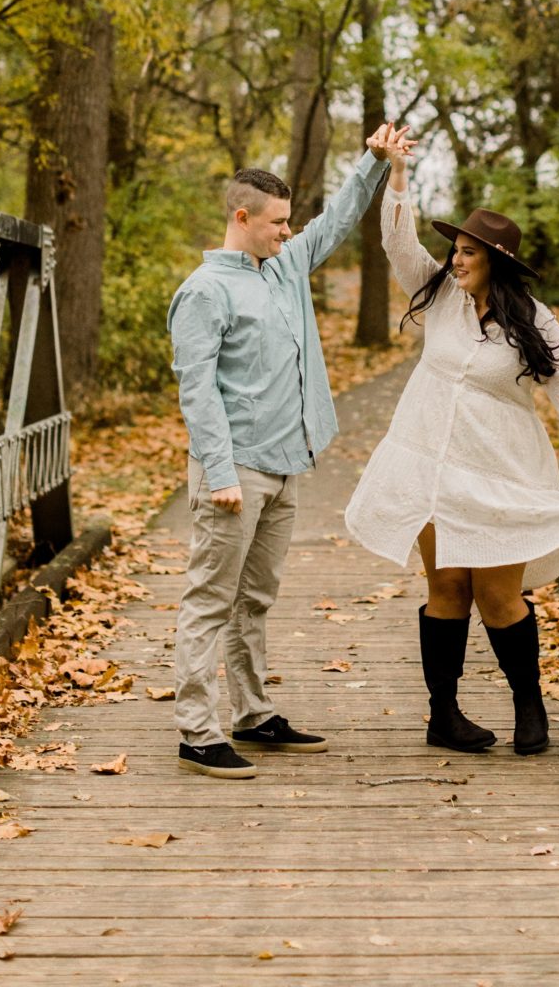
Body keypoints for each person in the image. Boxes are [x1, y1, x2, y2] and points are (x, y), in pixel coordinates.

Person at [345, 125, 559, 757]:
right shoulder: (440, 294)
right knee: (445, 589)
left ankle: (531, 709)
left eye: (471, 252)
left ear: (496, 260)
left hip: (500, 472)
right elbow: (398, 240)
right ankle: (443, 715)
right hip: (431, 467)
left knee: (500, 596)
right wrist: (396, 175)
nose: (459, 259)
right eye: (458, 248)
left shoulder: (535, 321)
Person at [169, 126, 410, 779]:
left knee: (255, 599)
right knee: (210, 599)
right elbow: (197, 394)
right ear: (241, 217)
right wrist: (219, 473)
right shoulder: (204, 291)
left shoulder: (284, 266)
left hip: (286, 462)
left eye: (288, 222)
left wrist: (372, 161)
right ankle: (196, 729)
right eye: (276, 222)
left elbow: (334, 222)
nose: (286, 231)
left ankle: (252, 712)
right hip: (234, 470)